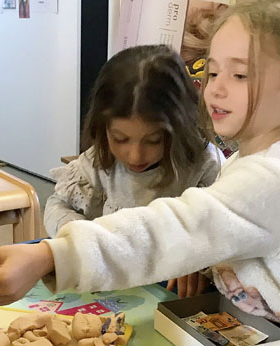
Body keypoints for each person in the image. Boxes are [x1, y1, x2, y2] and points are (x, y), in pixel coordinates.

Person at [0, 0, 280, 346]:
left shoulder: (276, 177)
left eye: (240, 76)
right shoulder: (255, 160)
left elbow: (171, 228)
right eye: (212, 72)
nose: (216, 90)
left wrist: (50, 255)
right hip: (277, 342)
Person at [44, 44, 223, 297]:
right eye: (120, 138)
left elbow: (227, 237)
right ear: (102, 128)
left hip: (171, 298)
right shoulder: (100, 160)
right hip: (110, 291)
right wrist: (78, 237)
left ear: (181, 126)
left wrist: (198, 259)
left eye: (153, 140)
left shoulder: (205, 167)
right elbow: (56, 205)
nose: (135, 155)